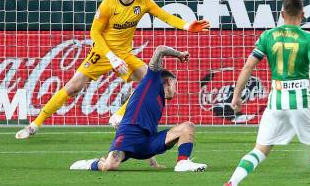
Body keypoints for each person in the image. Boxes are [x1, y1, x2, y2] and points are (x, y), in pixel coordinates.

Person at [16, 0, 209, 139]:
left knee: (152, 81)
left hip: (125, 54)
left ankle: (119, 114)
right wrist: (111, 57)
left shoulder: (143, 3)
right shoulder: (108, 5)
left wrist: (187, 25)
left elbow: (166, 17)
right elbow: (94, 33)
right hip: (101, 53)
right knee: (73, 87)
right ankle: (35, 124)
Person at [217, 0, 310, 186]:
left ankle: (232, 183)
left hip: (275, 100)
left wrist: (236, 97)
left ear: (282, 15)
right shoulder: (309, 39)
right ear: (303, 16)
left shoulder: (268, 36)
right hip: (301, 99)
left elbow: (248, 67)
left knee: (261, 149)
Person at [69, 45, 207, 172]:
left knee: (187, 126)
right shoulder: (152, 81)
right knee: (110, 166)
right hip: (129, 135)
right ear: (169, 81)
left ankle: (183, 163)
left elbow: (145, 128)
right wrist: (179, 55)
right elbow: (160, 50)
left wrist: (153, 163)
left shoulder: (160, 100)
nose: (175, 91)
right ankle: (91, 164)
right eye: (176, 85)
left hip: (148, 142)